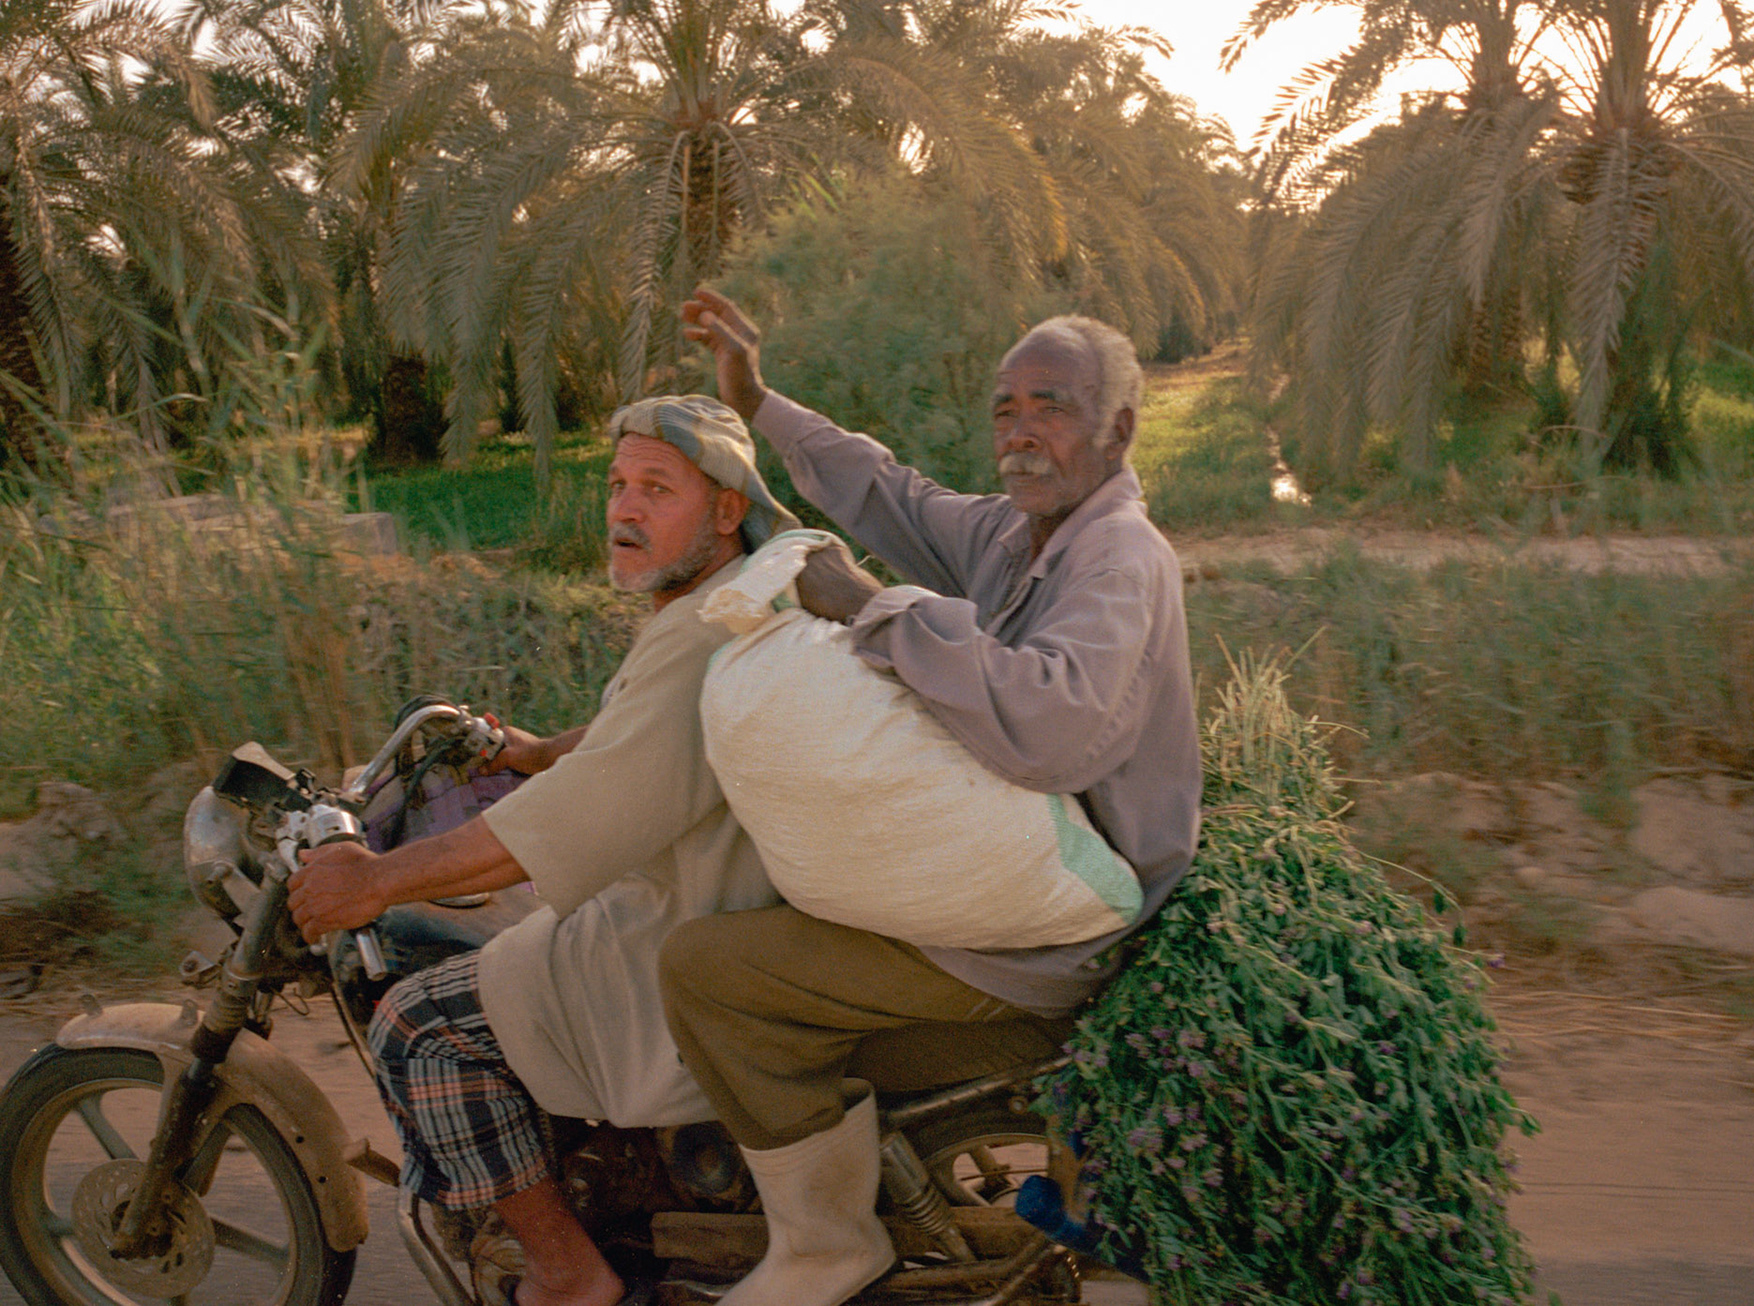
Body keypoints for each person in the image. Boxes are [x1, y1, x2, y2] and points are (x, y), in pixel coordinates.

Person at [661, 289, 1203, 1306]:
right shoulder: (1014, 532)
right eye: (1005, 408)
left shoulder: (1119, 558)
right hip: (1004, 886)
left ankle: (824, 1242)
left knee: (707, 970)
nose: (1021, 431)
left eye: (1051, 406)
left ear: (1119, 429)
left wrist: (875, 608)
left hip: (1053, 935)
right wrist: (759, 401)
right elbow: (891, 495)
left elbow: (1048, 727)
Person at [288, 396, 799, 1306]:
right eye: (616, 485)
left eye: (657, 488)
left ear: (728, 509)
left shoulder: (700, 637)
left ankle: (567, 1274)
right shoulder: (734, 602)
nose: (624, 509)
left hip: (674, 939)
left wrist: (375, 880)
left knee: (418, 1023)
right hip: (720, 912)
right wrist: (539, 753)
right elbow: (637, 738)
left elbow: (563, 828)